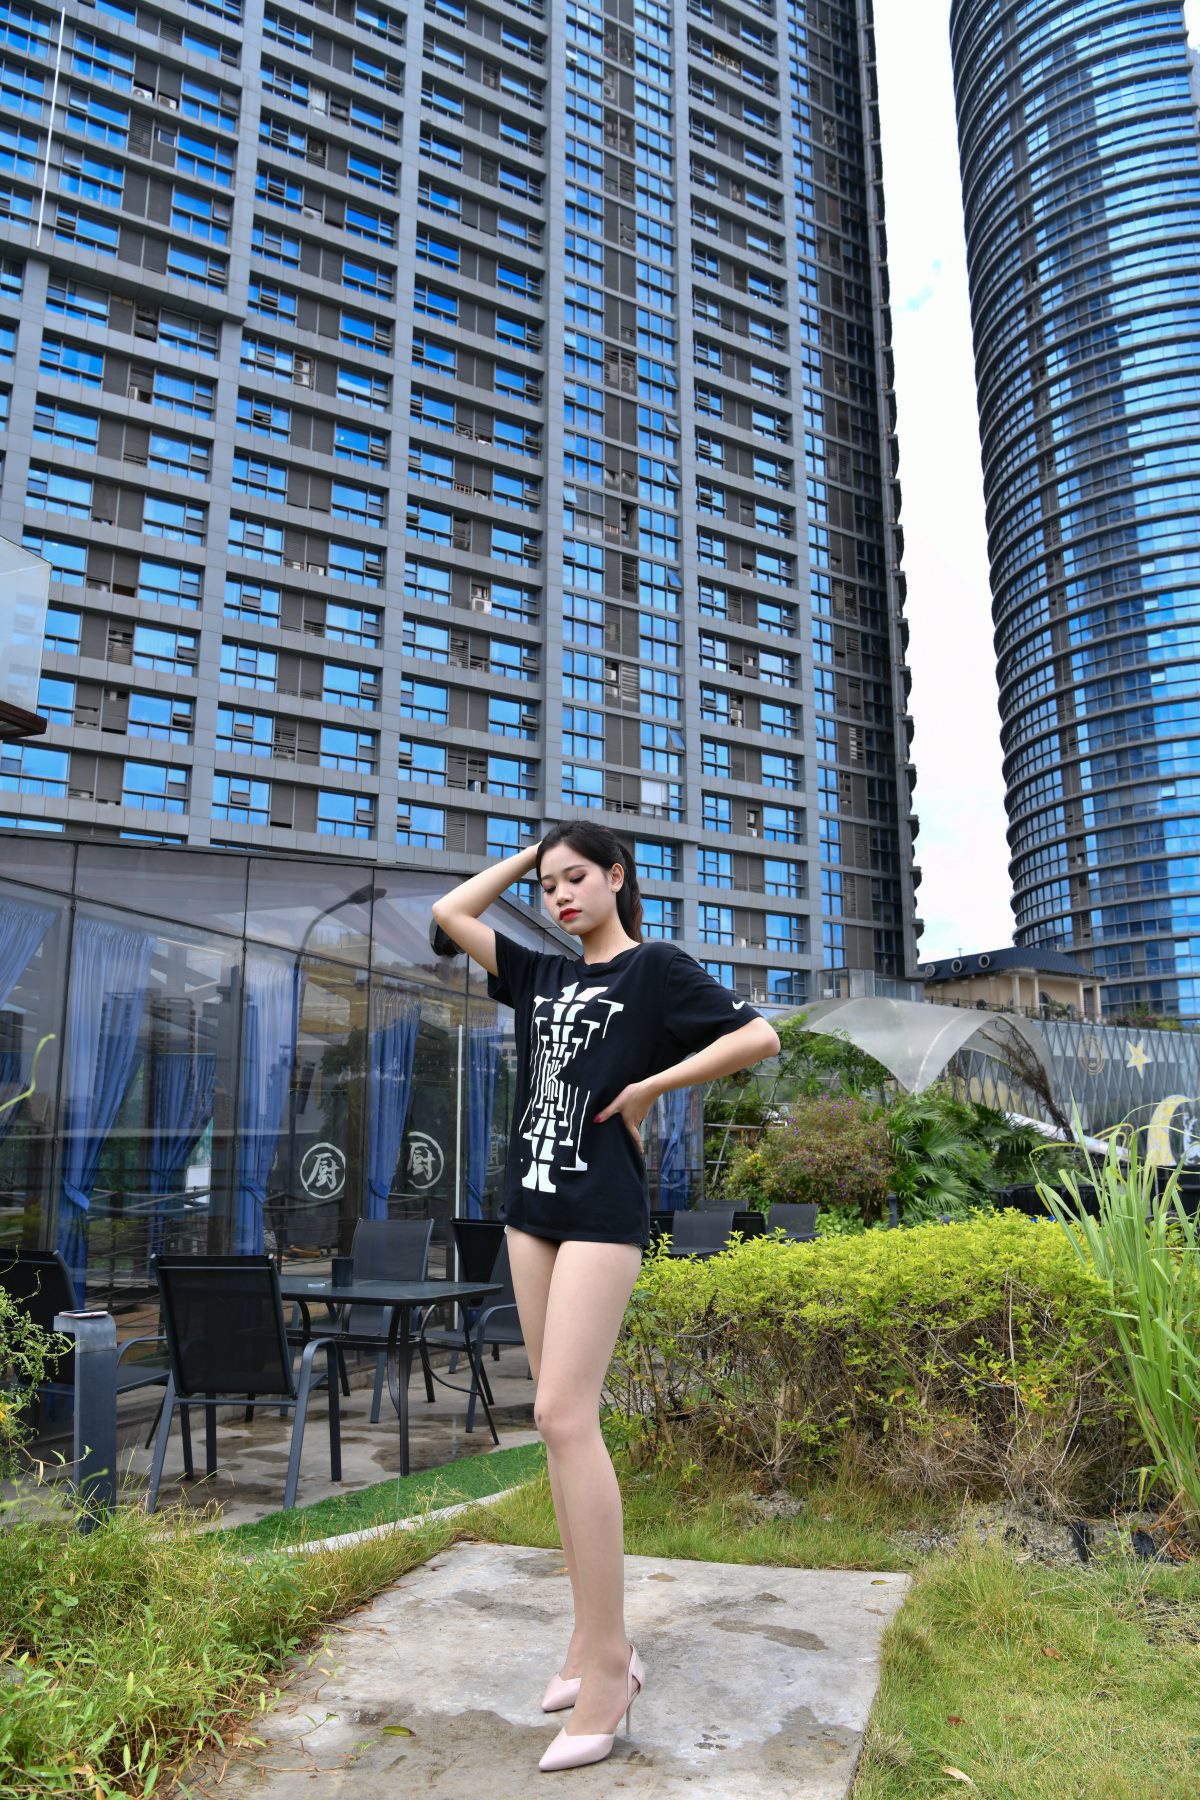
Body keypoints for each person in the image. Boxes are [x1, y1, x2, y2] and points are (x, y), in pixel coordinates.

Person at [431, 822, 781, 1773]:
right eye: (548, 884)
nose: (559, 896)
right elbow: (451, 911)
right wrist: (528, 852)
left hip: (601, 1210)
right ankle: (590, 1646)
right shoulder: (538, 973)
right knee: (554, 1430)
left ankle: (611, 1665)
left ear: (617, 877)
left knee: (562, 1414)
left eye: (576, 876)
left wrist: (652, 1086)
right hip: (530, 1207)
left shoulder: (654, 968)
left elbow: (759, 1035)